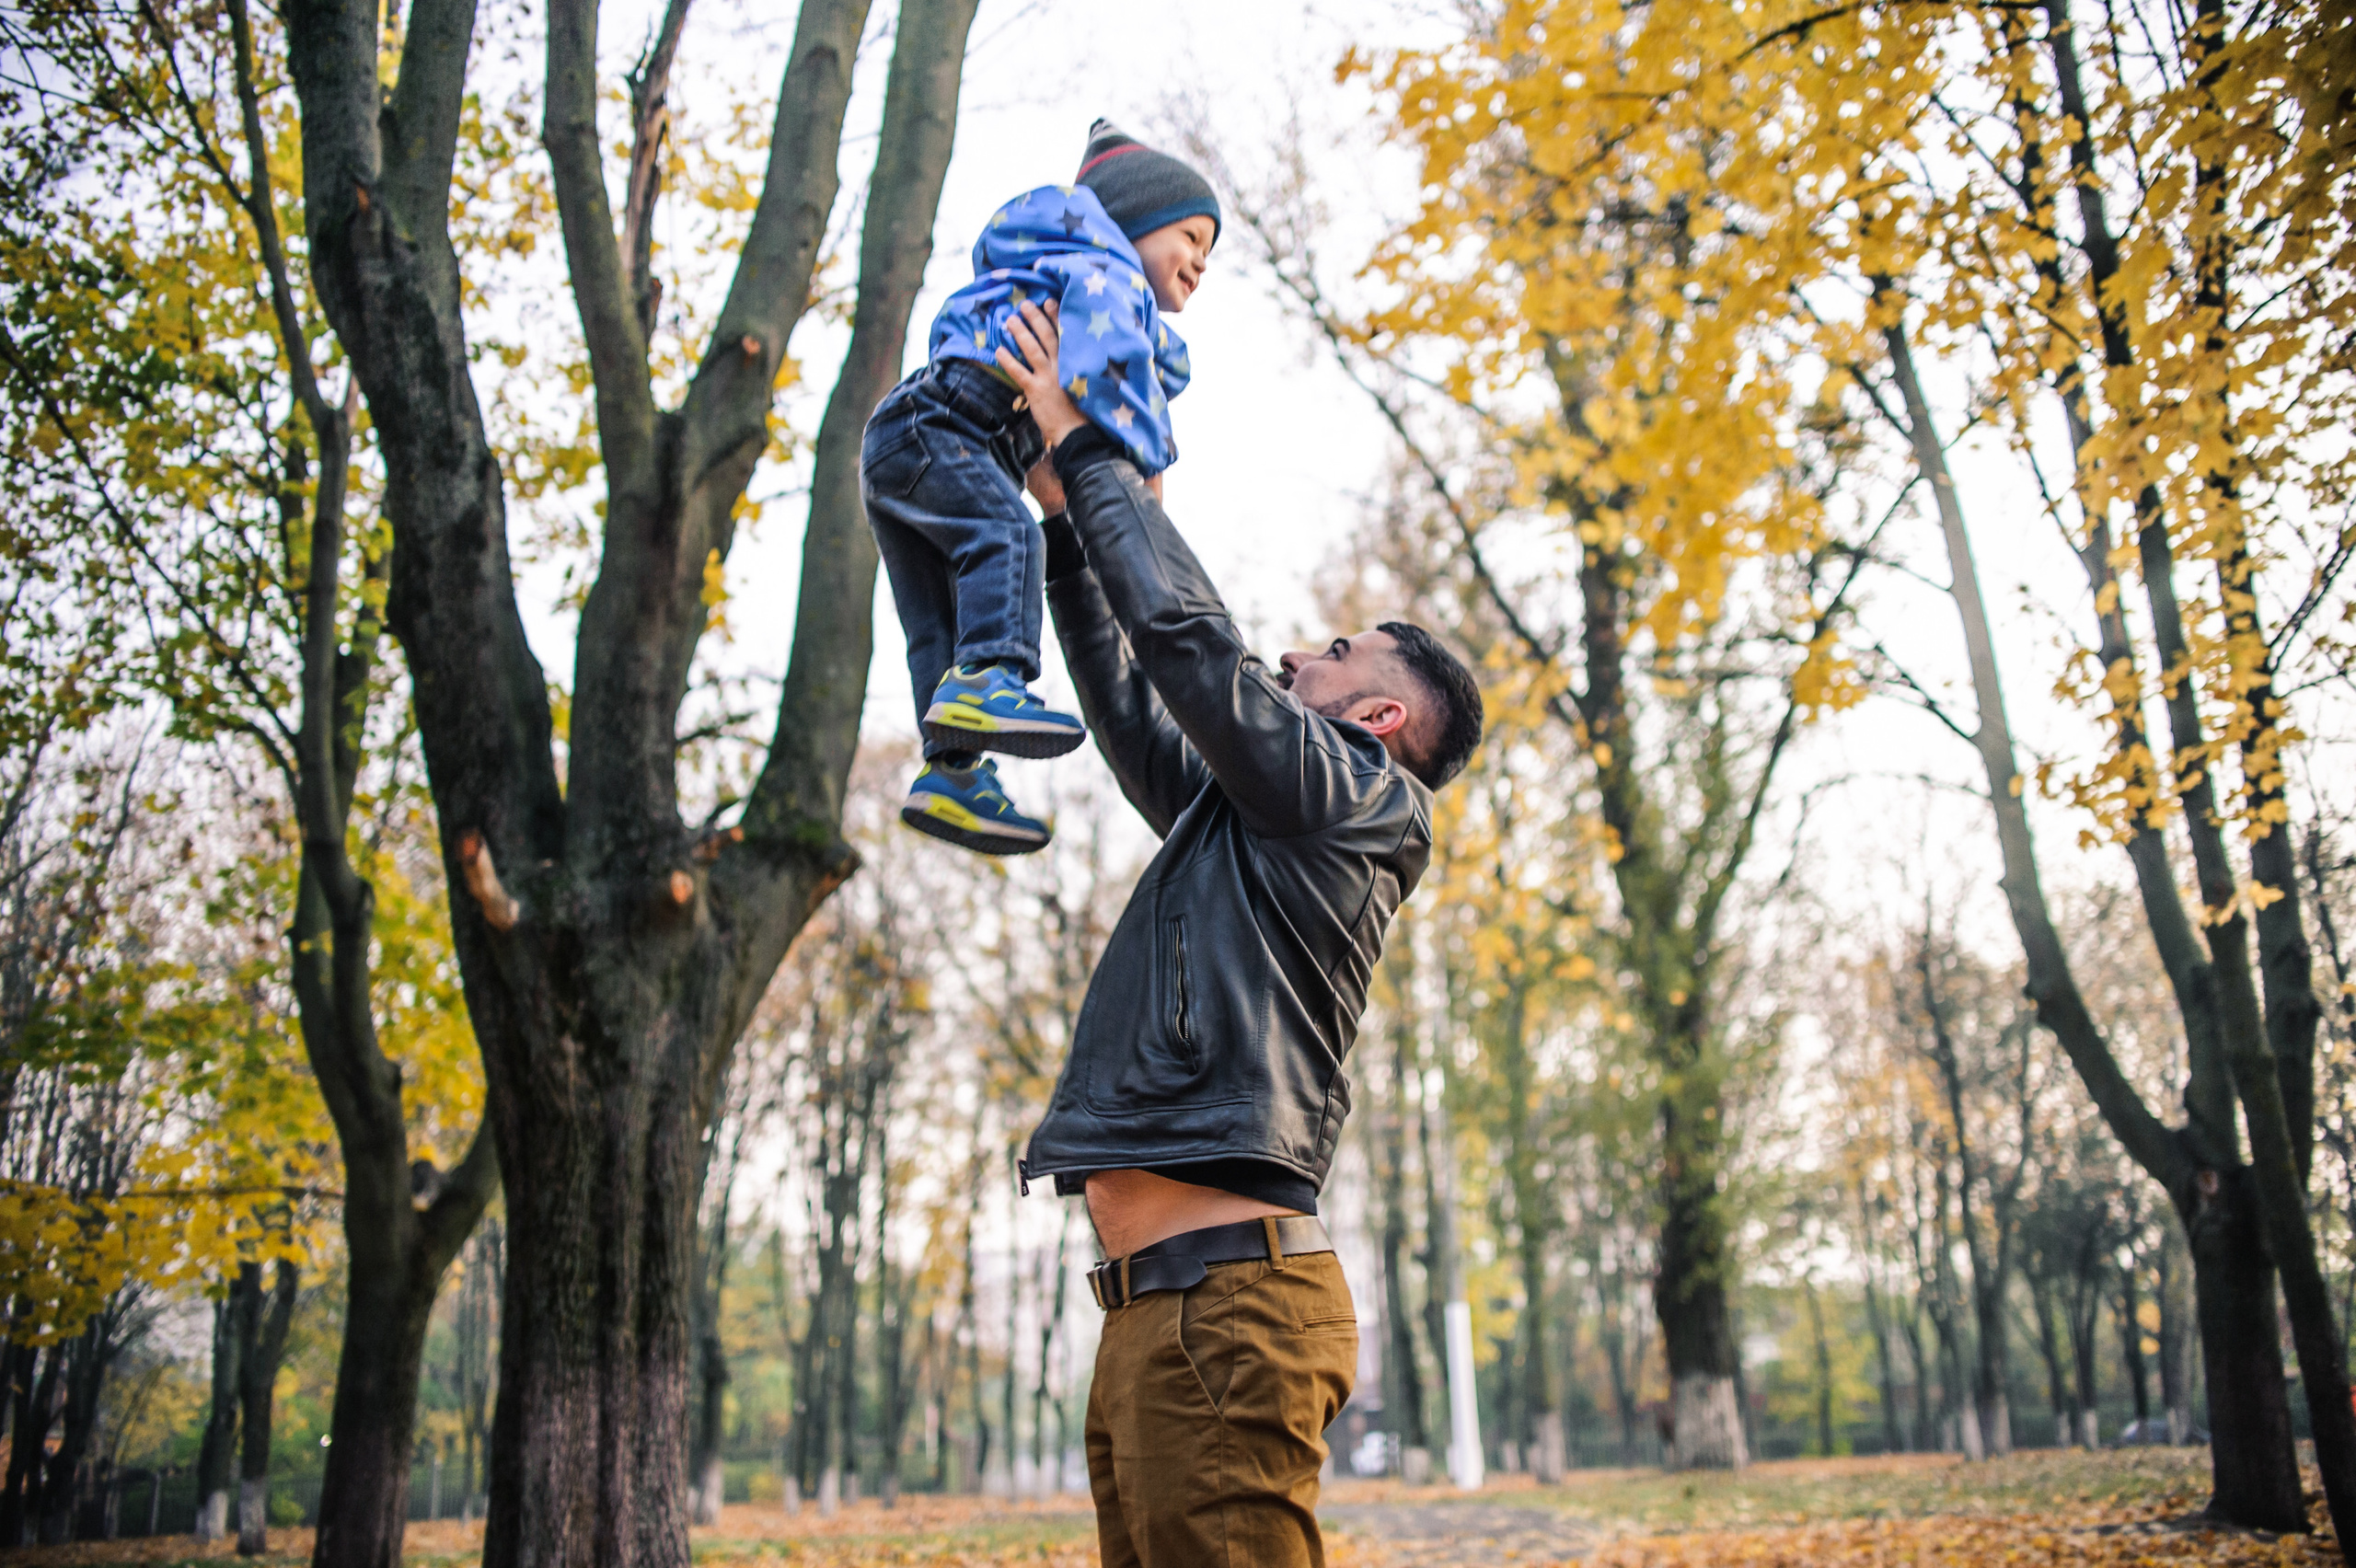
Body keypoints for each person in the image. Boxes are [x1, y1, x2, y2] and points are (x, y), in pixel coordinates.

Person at [991, 301, 1485, 1567]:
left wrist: (1092, 458)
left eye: (1336, 652)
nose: (1297, 651)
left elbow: (1193, 647)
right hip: (1160, 1317)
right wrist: (1069, 530)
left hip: (1227, 1308)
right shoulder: (1261, 817)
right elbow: (1140, 709)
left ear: (1378, 719)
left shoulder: (1361, 803)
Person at [860, 120, 1219, 856]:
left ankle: (952, 772)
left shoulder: (1060, 272)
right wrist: (1149, 461)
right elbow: (1109, 372)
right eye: (1191, 237)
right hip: (943, 430)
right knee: (1011, 537)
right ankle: (996, 678)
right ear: (1132, 224)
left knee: (943, 622)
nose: (1201, 263)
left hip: (906, 443)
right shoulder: (1104, 272)